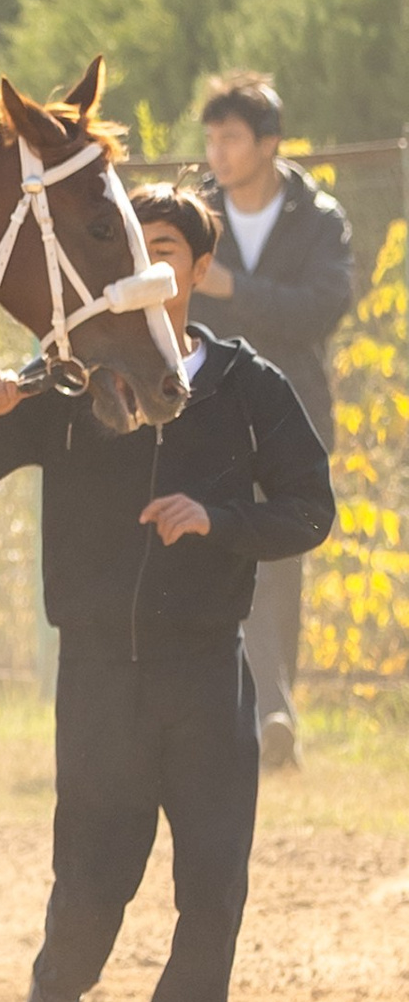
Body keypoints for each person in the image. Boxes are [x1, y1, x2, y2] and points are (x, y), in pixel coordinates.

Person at [0, 184, 333, 1002]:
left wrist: (217, 518)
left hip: (208, 672)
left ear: (195, 270)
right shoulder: (63, 380)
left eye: (170, 246)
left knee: (214, 877)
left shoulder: (247, 386)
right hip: (99, 679)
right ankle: (57, 990)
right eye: (135, 243)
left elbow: (311, 510)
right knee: (97, 874)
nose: (151, 259)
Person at [194, 73, 354, 774]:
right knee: (211, 551)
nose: (218, 152)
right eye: (212, 138)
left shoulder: (319, 219)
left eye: (232, 137)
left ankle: (269, 709)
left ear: (269, 144)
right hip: (205, 412)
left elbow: (322, 308)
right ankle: (250, 711)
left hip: (292, 416)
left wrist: (236, 290)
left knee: (277, 562)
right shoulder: (195, 212)